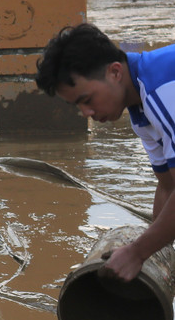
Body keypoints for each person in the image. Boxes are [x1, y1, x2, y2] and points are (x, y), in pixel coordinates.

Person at [35, 23, 175, 283]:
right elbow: (168, 187)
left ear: (115, 72)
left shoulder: (162, 91)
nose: (86, 113)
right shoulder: (140, 111)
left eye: (87, 100)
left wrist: (138, 252)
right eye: (77, 106)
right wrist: (157, 256)